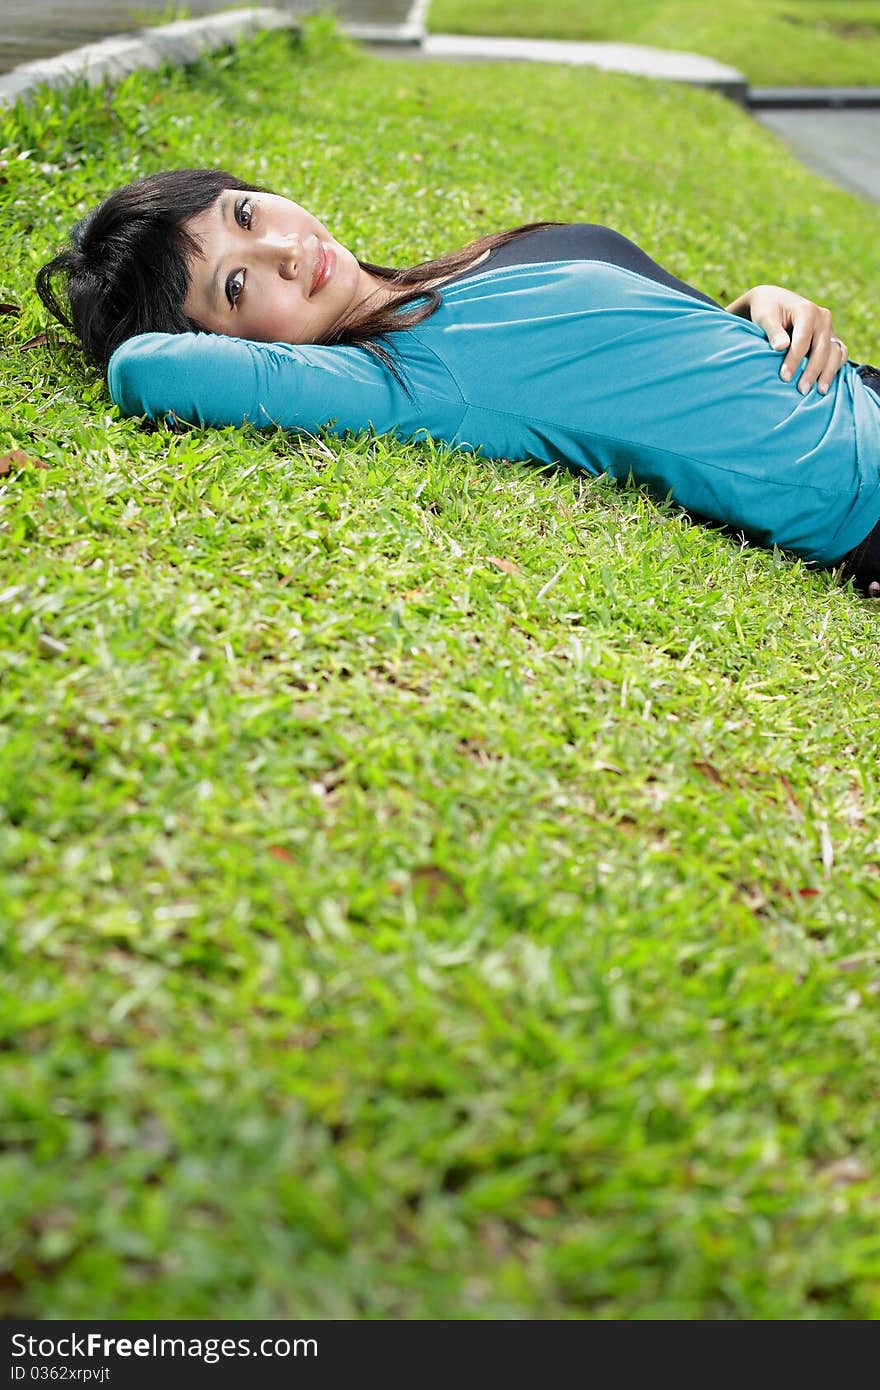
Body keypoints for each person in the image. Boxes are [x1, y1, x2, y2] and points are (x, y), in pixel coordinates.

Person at [35, 168, 880, 594]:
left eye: (245, 215)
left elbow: (644, 349)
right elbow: (147, 368)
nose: (283, 252)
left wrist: (751, 305)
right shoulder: (405, 380)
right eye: (236, 286)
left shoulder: (455, 278)